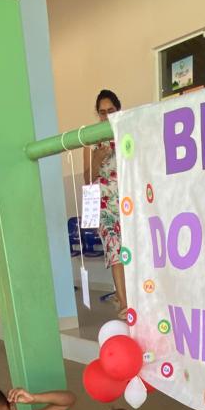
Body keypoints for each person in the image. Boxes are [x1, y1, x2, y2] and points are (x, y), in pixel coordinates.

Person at [84, 89, 127, 316]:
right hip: (105, 205)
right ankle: (123, 302)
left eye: (111, 110)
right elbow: (87, 179)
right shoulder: (91, 141)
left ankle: (136, 297)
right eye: (102, 112)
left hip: (128, 201)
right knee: (115, 252)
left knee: (133, 251)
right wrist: (96, 160)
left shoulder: (127, 132)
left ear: (118, 109)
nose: (106, 116)